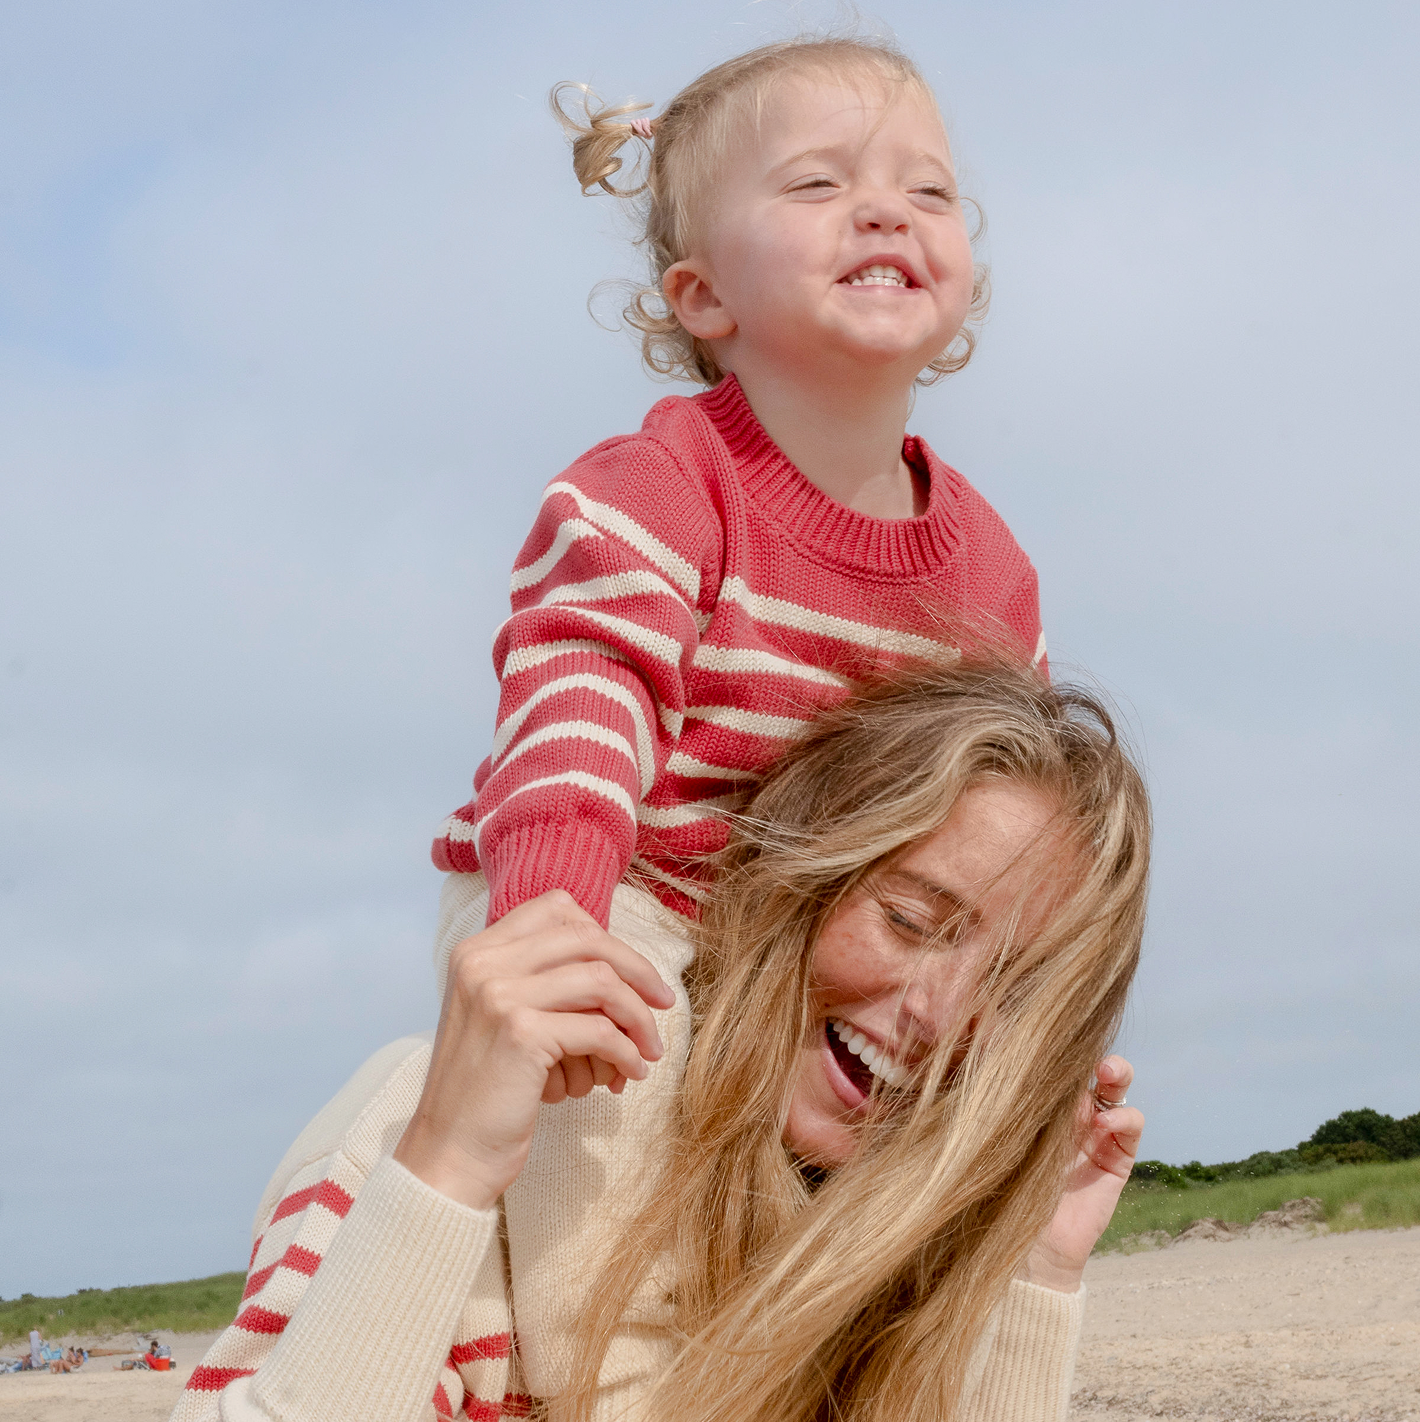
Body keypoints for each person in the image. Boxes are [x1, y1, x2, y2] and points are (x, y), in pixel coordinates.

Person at [428, 32, 1055, 1393]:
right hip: (629, 884)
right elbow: (578, 701)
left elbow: (1013, 809)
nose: (884, 209)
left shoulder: (993, 569)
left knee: (927, 1181)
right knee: (620, 1199)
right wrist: (554, 916)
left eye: (927, 191)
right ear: (701, 295)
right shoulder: (664, 484)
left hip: (815, 940)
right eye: (819, 184)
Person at [174, 658, 1150, 1422]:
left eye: (1018, 993)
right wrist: (449, 1165)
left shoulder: (876, 1265)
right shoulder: (426, 1144)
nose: (939, 1021)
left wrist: (1030, 1278)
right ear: (790, 893)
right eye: (907, 921)